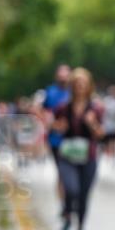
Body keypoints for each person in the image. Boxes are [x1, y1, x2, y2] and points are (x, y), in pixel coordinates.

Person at [52, 68, 104, 230]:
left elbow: (100, 134)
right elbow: (54, 126)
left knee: (83, 193)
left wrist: (92, 124)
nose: (80, 86)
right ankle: (67, 215)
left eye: (83, 83)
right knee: (71, 189)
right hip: (67, 155)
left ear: (89, 86)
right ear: (72, 86)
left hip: (88, 156)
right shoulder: (63, 108)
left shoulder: (96, 108)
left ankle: (80, 228)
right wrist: (58, 126)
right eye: (77, 83)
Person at [43, 64, 71, 202]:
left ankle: (71, 198)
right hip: (55, 139)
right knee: (62, 172)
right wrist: (51, 124)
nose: (63, 78)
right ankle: (64, 204)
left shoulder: (75, 91)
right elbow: (44, 112)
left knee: (71, 173)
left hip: (73, 139)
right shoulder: (50, 92)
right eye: (61, 76)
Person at [100, 85, 115, 166]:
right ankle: (108, 156)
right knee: (107, 142)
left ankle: (113, 158)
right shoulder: (108, 101)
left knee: (113, 142)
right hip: (108, 126)